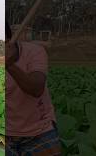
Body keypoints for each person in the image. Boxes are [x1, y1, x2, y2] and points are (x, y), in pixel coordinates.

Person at [5, 21, 61, 155]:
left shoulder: (34, 52)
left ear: (9, 39)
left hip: (39, 131)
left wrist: (10, 65)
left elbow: (36, 89)